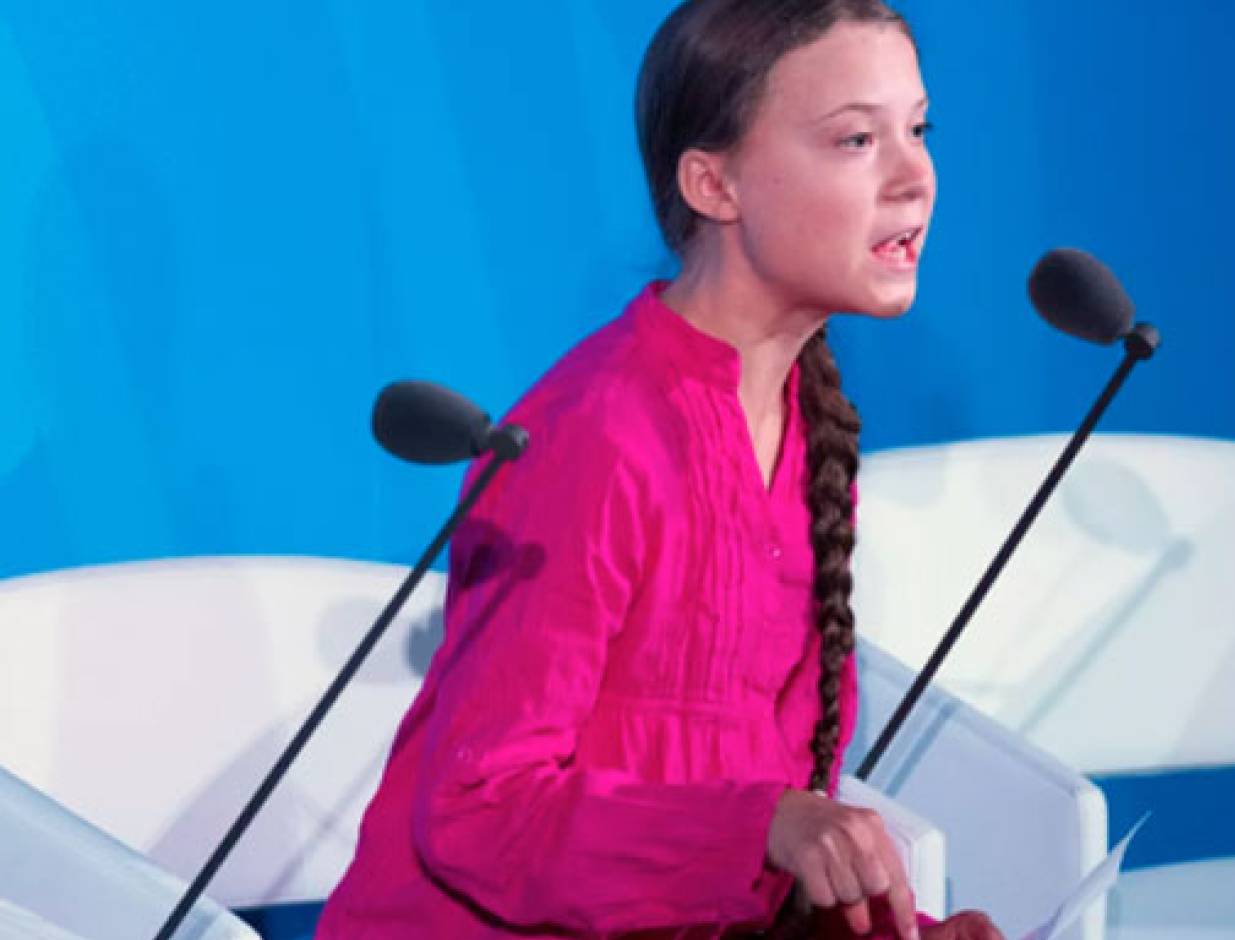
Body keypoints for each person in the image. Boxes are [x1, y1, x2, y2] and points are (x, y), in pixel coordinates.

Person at [319, 1, 1001, 937]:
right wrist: (766, 828)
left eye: (917, 130)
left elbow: (740, 832)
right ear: (713, 184)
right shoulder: (593, 437)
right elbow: (479, 815)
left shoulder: (807, 431)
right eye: (855, 139)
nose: (914, 176)